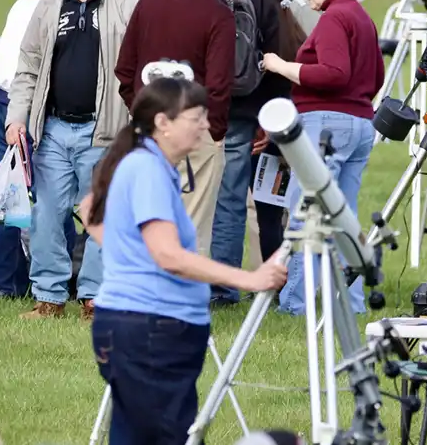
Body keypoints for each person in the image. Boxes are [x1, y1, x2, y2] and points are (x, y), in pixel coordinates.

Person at [80, 76, 288, 445]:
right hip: (150, 330)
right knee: (169, 435)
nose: (205, 126)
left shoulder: (148, 164)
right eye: (196, 117)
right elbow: (168, 254)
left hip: (142, 327)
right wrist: (250, 280)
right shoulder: (146, 168)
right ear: (163, 122)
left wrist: (129, 257)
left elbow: (90, 212)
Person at [6, 0, 139, 319]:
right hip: (53, 129)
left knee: (101, 214)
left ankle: (95, 297)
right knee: (46, 214)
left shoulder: (127, 2)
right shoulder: (48, 3)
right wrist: (18, 118)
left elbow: (141, 65)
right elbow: (27, 65)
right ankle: (49, 296)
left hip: (105, 127)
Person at [166, 0, 289, 306]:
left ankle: (178, 279)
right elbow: (275, 56)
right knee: (231, 201)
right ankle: (221, 289)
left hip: (177, 107)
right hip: (237, 111)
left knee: (177, 195)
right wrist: (268, 116)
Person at [262, 0, 384, 315]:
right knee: (343, 217)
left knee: (306, 214)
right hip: (361, 123)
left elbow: (334, 73)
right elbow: (376, 75)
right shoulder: (360, 15)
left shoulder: (333, 18)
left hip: (326, 125)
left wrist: (281, 66)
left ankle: (295, 303)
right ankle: (351, 302)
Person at [115, 0, 237, 257]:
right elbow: (220, 83)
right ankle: (182, 299)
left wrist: (141, 112)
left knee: (146, 218)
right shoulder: (219, 15)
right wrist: (215, 132)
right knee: (191, 225)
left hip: (149, 127)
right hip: (196, 128)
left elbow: (125, 69)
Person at [238, 0, 307, 266]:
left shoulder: (255, 25)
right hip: (291, 126)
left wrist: (261, 123)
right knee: (281, 209)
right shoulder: (298, 22)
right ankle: (286, 278)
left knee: (264, 211)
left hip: (262, 129)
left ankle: (272, 278)